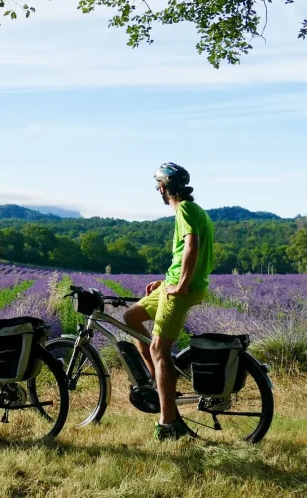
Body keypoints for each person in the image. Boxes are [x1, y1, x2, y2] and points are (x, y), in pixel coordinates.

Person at [124, 162, 214, 441]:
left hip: (183, 290)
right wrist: (166, 282)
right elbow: (183, 255)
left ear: (163, 188)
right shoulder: (194, 210)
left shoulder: (185, 210)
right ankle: (158, 380)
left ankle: (168, 423)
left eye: (158, 186)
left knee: (159, 349)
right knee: (131, 318)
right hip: (174, 285)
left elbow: (192, 246)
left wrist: (181, 284)